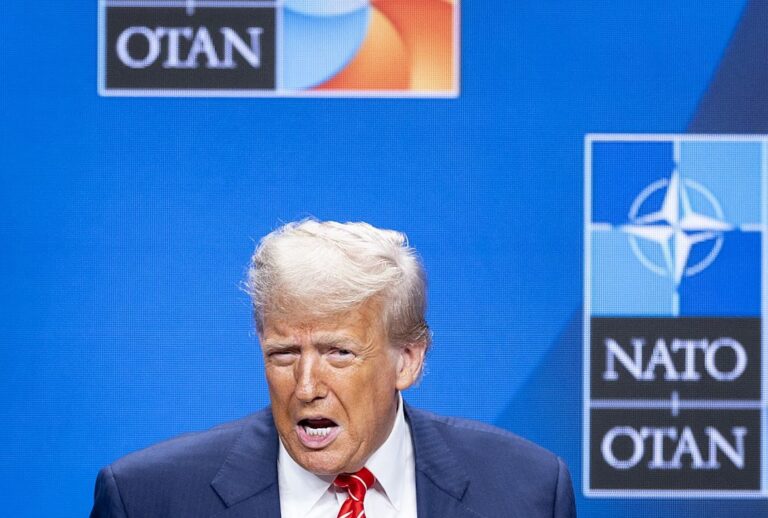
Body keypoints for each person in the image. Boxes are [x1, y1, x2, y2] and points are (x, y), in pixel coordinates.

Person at [91, 219, 576, 518]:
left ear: (407, 359)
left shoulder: (527, 490)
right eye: (284, 354)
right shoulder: (148, 498)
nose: (305, 387)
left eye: (338, 353)